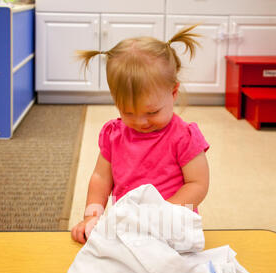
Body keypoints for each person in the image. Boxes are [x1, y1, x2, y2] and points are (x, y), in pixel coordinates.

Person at [71, 25, 210, 244]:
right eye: (128, 112)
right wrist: (92, 216)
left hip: (173, 227)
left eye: (152, 112)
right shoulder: (113, 133)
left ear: (173, 92)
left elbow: (197, 185)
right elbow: (100, 178)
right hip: (127, 228)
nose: (140, 122)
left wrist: (162, 214)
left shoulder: (184, 136)